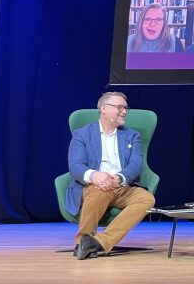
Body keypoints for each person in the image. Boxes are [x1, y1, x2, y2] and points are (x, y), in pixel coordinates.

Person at [66, 91, 156, 260]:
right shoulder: (82, 134)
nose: (124, 111)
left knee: (146, 199)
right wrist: (95, 176)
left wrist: (119, 178)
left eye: (125, 108)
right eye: (119, 107)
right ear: (104, 109)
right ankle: (82, 241)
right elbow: (76, 165)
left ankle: (98, 243)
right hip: (94, 185)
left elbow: (136, 165)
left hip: (121, 186)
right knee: (98, 191)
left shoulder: (132, 135)